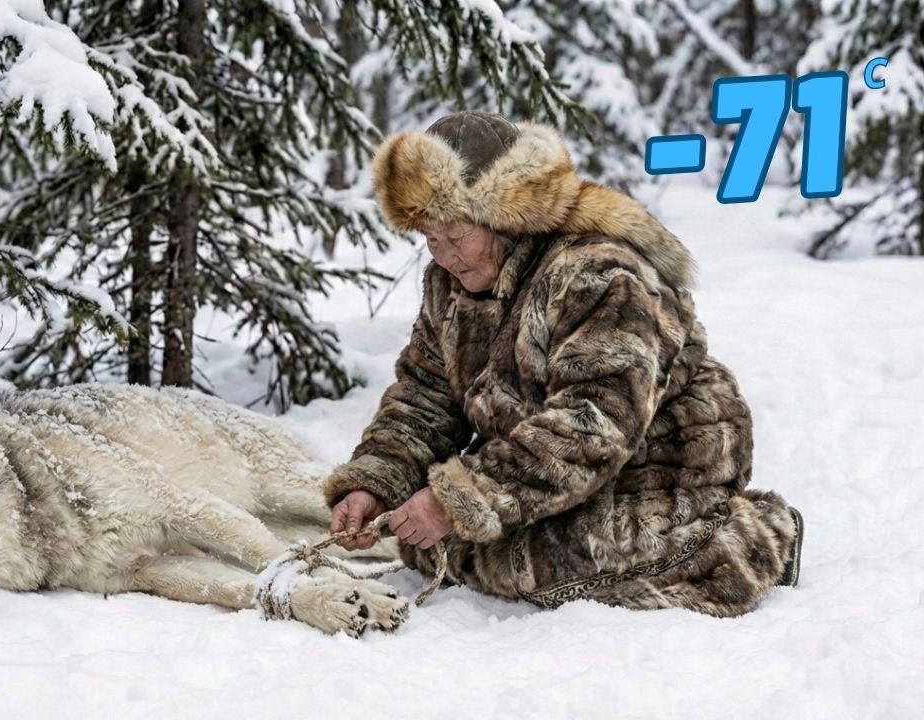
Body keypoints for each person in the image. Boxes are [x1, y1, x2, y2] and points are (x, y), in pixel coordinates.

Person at [324, 111, 802, 617]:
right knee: (440, 547)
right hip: (547, 465)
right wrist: (374, 483)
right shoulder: (451, 285)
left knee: (543, 564)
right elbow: (425, 396)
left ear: (502, 215)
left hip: (662, 460)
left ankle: (754, 538)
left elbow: (594, 423)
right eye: (429, 238)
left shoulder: (597, 272)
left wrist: (458, 499)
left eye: (456, 235)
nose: (444, 256)